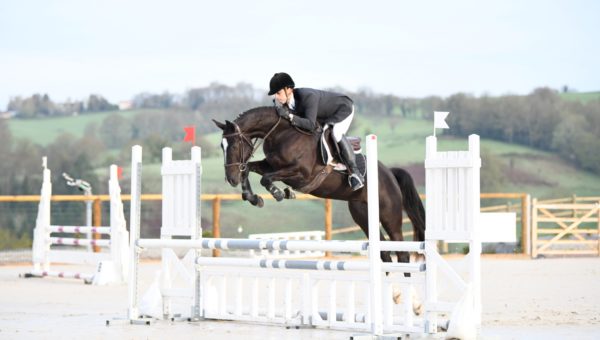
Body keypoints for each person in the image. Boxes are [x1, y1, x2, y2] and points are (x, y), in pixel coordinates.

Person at [268, 72, 364, 191]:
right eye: (275, 94)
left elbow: (310, 124)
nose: (277, 97)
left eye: (278, 93)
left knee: (335, 132)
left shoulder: (308, 96)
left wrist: (289, 117)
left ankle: (355, 173)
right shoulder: (288, 102)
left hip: (343, 109)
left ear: (289, 89)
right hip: (324, 115)